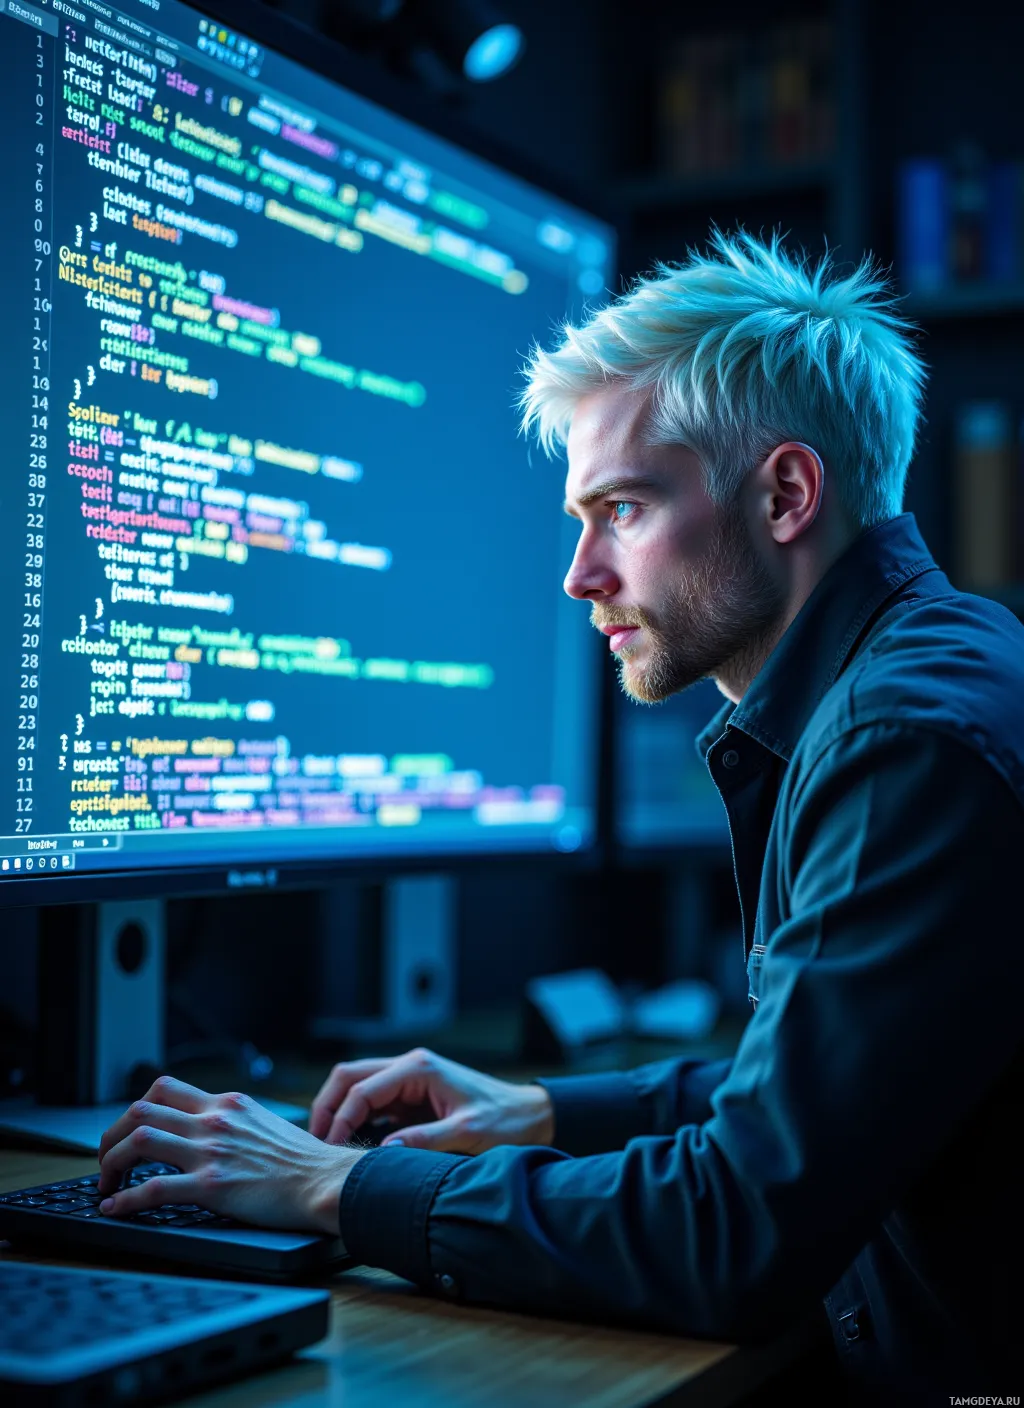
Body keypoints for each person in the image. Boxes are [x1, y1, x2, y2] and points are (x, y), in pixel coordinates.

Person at [96, 232, 1023, 1407]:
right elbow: (828, 1091)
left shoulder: (899, 745)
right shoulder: (929, 673)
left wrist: (334, 1186)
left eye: (621, 509)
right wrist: (536, 1108)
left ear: (785, 493)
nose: (579, 573)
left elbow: (736, 1226)